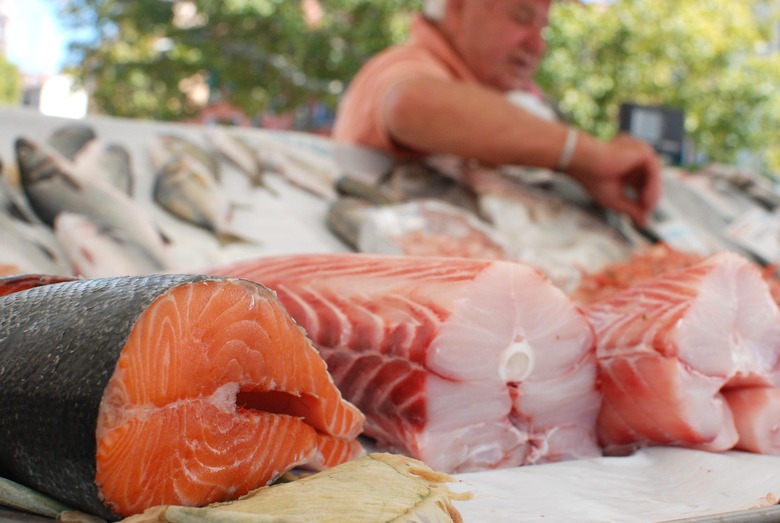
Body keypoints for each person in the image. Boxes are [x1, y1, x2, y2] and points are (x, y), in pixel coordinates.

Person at [332, 0, 662, 227]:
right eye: (520, 17)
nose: (537, 45)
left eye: (543, 27)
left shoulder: (501, 94)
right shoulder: (406, 63)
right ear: (457, 8)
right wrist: (591, 155)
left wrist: (582, 171)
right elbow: (410, 103)